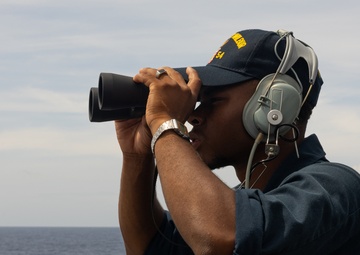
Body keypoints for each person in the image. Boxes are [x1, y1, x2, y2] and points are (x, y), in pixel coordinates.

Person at [115, 29, 360, 254]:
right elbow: (149, 247)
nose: (193, 115)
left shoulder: (335, 188)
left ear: (275, 104)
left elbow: (223, 238)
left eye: (213, 100)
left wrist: (163, 122)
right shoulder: (234, 205)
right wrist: (137, 157)